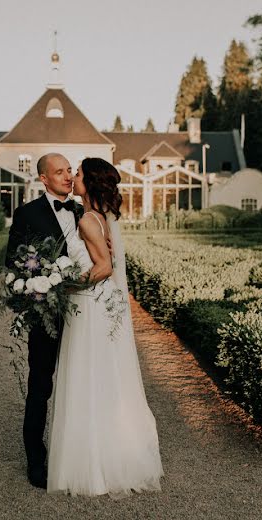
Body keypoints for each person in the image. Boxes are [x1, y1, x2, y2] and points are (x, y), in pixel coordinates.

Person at [47, 156, 163, 497]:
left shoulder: (87, 221)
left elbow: (104, 267)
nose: (74, 177)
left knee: (86, 374)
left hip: (89, 304)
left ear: (91, 182)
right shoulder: (100, 218)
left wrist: (66, 284)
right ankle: (108, 455)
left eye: (79, 173)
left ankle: (90, 462)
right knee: (102, 374)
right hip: (100, 306)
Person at [5, 153, 83, 489]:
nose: (67, 176)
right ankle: (35, 457)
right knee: (41, 383)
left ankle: (79, 450)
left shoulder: (85, 212)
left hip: (84, 310)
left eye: (70, 170)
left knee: (80, 381)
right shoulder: (26, 214)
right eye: (60, 172)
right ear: (43, 179)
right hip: (45, 311)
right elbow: (13, 262)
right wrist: (41, 280)